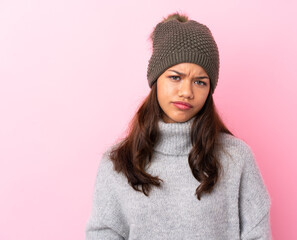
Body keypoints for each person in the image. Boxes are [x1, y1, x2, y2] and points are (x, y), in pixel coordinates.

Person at [85, 12, 271, 240]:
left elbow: (257, 234)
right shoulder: (117, 162)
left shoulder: (236, 158)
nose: (187, 92)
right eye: (175, 77)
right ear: (156, 80)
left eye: (200, 82)